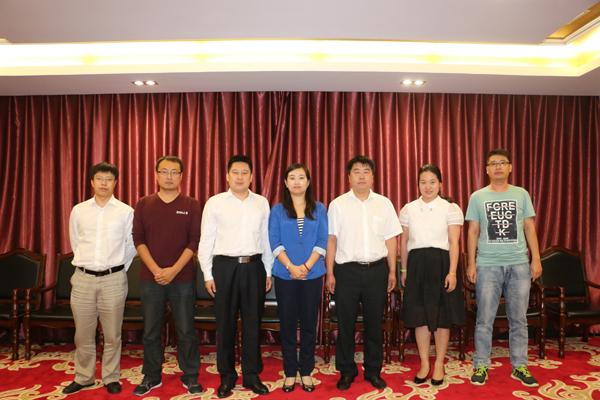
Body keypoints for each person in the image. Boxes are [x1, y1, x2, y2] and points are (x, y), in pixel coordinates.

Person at [198, 155, 274, 398]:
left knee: (253, 324)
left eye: (244, 172)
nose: (240, 177)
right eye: (235, 172)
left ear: (251, 177)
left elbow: (266, 239)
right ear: (227, 176)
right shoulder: (215, 203)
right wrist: (208, 274)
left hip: (254, 267)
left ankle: (252, 376)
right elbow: (206, 240)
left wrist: (268, 270)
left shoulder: (261, 203)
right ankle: (227, 377)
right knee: (225, 325)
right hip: (224, 268)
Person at [466, 149, 542, 387]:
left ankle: (520, 366)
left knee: (519, 319)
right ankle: (481, 365)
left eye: (502, 163)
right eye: (493, 163)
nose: (498, 167)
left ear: (510, 167)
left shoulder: (521, 194)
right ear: (486, 169)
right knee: (484, 319)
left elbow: (529, 227)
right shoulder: (477, 197)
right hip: (487, 265)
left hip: (519, 264)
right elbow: (473, 231)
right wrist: (471, 263)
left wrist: (536, 259)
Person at [325, 155, 402, 391]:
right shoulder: (337, 205)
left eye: (366, 171)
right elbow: (331, 240)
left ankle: (373, 371)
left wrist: (392, 271)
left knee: (374, 324)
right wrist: (330, 273)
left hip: (377, 271)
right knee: (345, 324)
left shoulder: (384, 204)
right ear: (348, 176)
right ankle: (346, 371)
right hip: (346, 271)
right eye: (356, 171)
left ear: (373, 176)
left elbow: (391, 239)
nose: (361, 175)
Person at [132, 156, 203, 396]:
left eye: (174, 172)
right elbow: (138, 239)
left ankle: (190, 376)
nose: (169, 176)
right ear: (156, 175)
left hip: (182, 278)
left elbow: (194, 241)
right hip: (150, 278)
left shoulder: (192, 204)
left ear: (181, 176)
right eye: (164, 171)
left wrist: (173, 270)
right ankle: (151, 376)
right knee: (151, 332)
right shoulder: (144, 203)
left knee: (186, 330)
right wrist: (156, 270)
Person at [64, 162, 137, 395]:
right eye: (99, 178)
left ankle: (111, 376)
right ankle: (84, 377)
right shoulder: (79, 210)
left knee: (113, 334)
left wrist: (117, 269)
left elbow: (131, 246)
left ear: (116, 182)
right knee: (83, 334)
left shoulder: (126, 211)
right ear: (92, 182)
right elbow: (76, 242)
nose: (104, 183)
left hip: (113, 280)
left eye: (109, 179)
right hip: (83, 279)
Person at [399, 164, 465, 386]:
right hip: (416, 266)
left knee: (442, 317)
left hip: (442, 265)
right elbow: (404, 242)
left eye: (432, 182)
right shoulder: (408, 209)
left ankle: (439, 364)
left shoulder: (450, 208)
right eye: (423, 182)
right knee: (420, 317)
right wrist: (404, 270)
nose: (428, 186)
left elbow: (454, 243)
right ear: (418, 184)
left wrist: (452, 272)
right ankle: (425, 363)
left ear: (440, 184)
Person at [268, 163, 327, 393]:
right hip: (285, 275)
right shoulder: (277, 210)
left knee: (310, 325)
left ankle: (307, 371)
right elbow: (274, 241)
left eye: (301, 177)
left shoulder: (319, 208)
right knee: (288, 326)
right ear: (285, 182)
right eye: (292, 177)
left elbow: (322, 240)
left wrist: (307, 266)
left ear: (308, 182)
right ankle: (291, 372)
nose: (296, 182)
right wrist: (291, 267)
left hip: (313, 275)